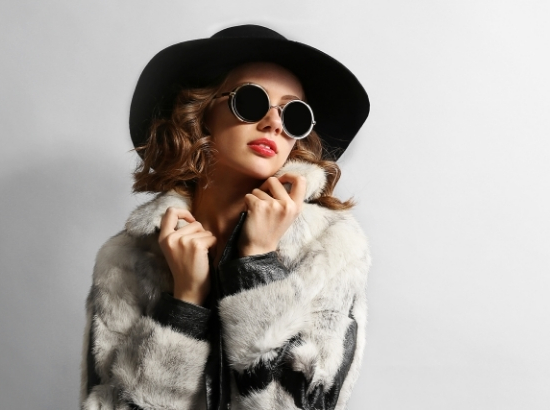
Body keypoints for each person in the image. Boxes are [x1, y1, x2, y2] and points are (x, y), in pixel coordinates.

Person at [81, 24, 371, 410]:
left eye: (295, 115)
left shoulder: (331, 247)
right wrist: (185, 302)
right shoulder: (128, 259)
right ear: (199, 112)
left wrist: (257, 267)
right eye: (250, 101)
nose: (274, 123)